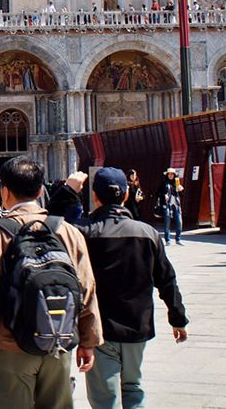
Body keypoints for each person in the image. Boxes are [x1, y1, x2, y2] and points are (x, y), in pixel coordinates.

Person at [0, 155, 102, 409]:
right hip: (58, 343)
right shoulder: (67, 232)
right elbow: (86, 290)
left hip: (9, 345)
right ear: (41, 191)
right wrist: (88, 341)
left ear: (4, 191)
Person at [76, 167, 188, 409]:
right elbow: (167, 279)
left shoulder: (84, 232)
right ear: (126, 195)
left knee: (105, 398)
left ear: (95, 196)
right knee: (133, 388)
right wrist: (177, 318)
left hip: (100, 328)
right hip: (138, 326)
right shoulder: (148, 233)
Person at [156, 169, 183, 246]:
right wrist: (164, 195)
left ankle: (178, 239)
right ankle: (168, 240)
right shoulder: (164, 183)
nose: (170, 175)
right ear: (167, 175)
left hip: (176, 204)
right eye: (169, 174)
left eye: (172, 174)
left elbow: (181, 195)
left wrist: (181, 190)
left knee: (179, 222)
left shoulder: (177, 183)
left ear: (174, 175)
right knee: (167, 223)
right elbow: (157, 193)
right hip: (167, 204)